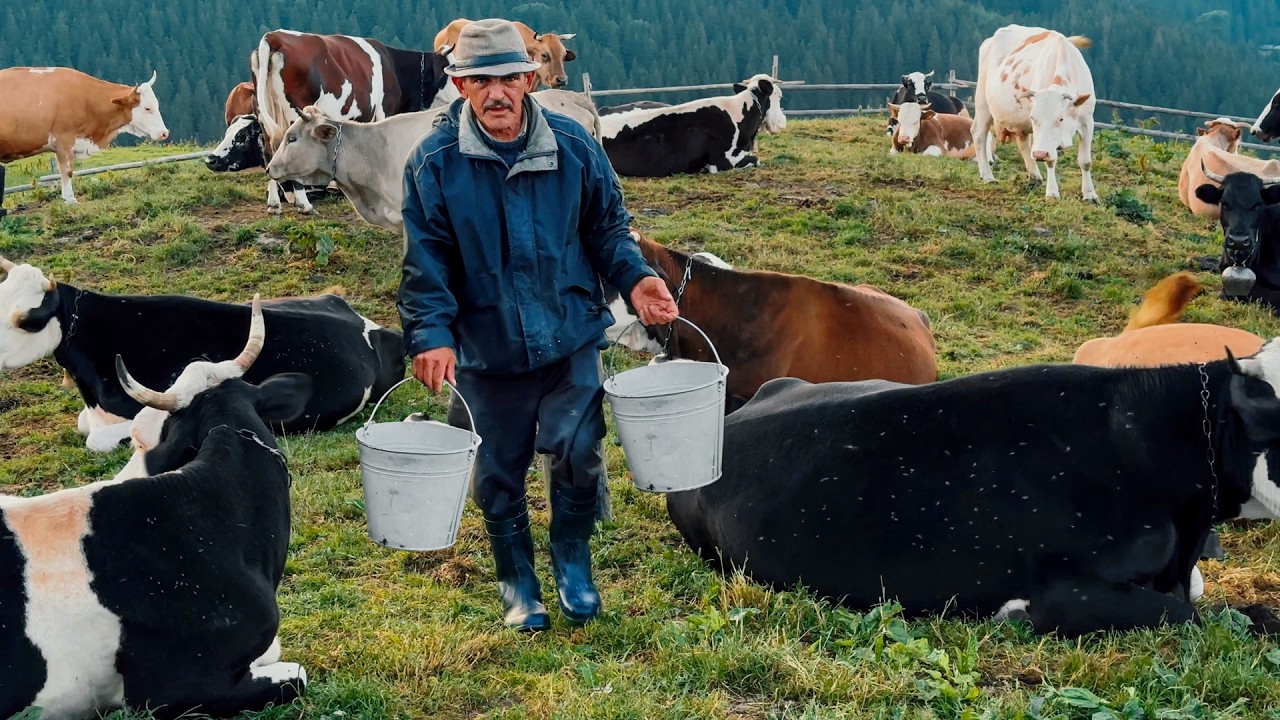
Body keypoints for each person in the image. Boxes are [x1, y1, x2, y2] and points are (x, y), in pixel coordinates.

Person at [398, 18, 679, 631]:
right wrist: (432, 333)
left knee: (579, 451)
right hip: (487, 346)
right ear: (460, 85)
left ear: (529, 77)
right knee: (497, 471)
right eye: (479, 80)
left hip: (569, 331)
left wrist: (635, 279)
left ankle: (572, 559)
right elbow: (427, 259)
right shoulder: (435, 163)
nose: (495, 93)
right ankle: (516, 579)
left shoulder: (575, 147)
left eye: (507, 77)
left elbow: (607, 227)